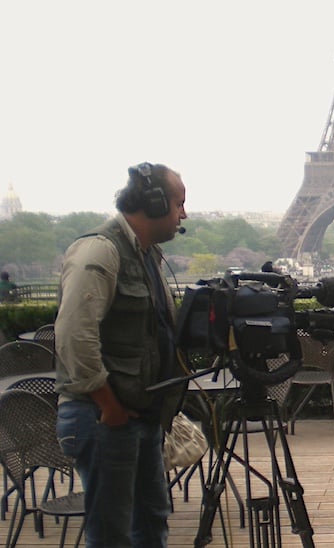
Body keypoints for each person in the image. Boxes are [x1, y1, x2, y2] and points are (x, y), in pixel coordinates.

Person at [54, 162, 187, 547]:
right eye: (179, 203)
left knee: (150, 522)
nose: (183, 214)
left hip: (136, 415)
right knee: (113, 534)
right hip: (105, 417)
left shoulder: (146, 256)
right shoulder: (101, 250)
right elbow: (74, 335)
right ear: (154, 202)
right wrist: (108, 404)